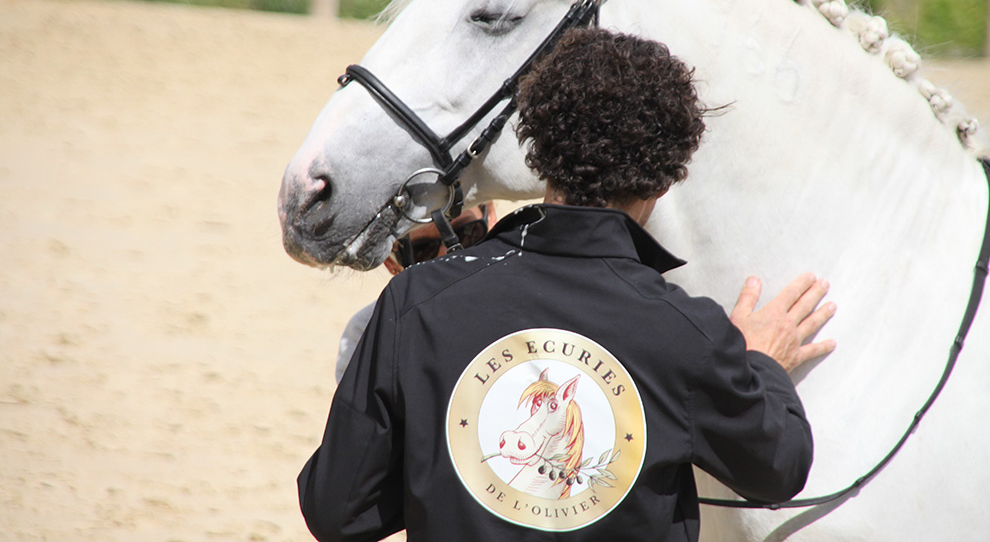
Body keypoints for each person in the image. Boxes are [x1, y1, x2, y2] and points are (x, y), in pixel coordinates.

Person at [298, 28, 836, 541]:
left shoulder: (415, 302)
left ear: (537, 149)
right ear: (667, 177)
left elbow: (336, 512)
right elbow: (778, 470)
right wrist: (760, 363)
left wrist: (443, 468)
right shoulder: (690, 333)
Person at [335, 203, 498, 382]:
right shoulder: (369, 336)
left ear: (491, 217)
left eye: (466, 234)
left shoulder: (530, 297)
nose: (448, 257)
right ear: (391, 262)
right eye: (424, 250)